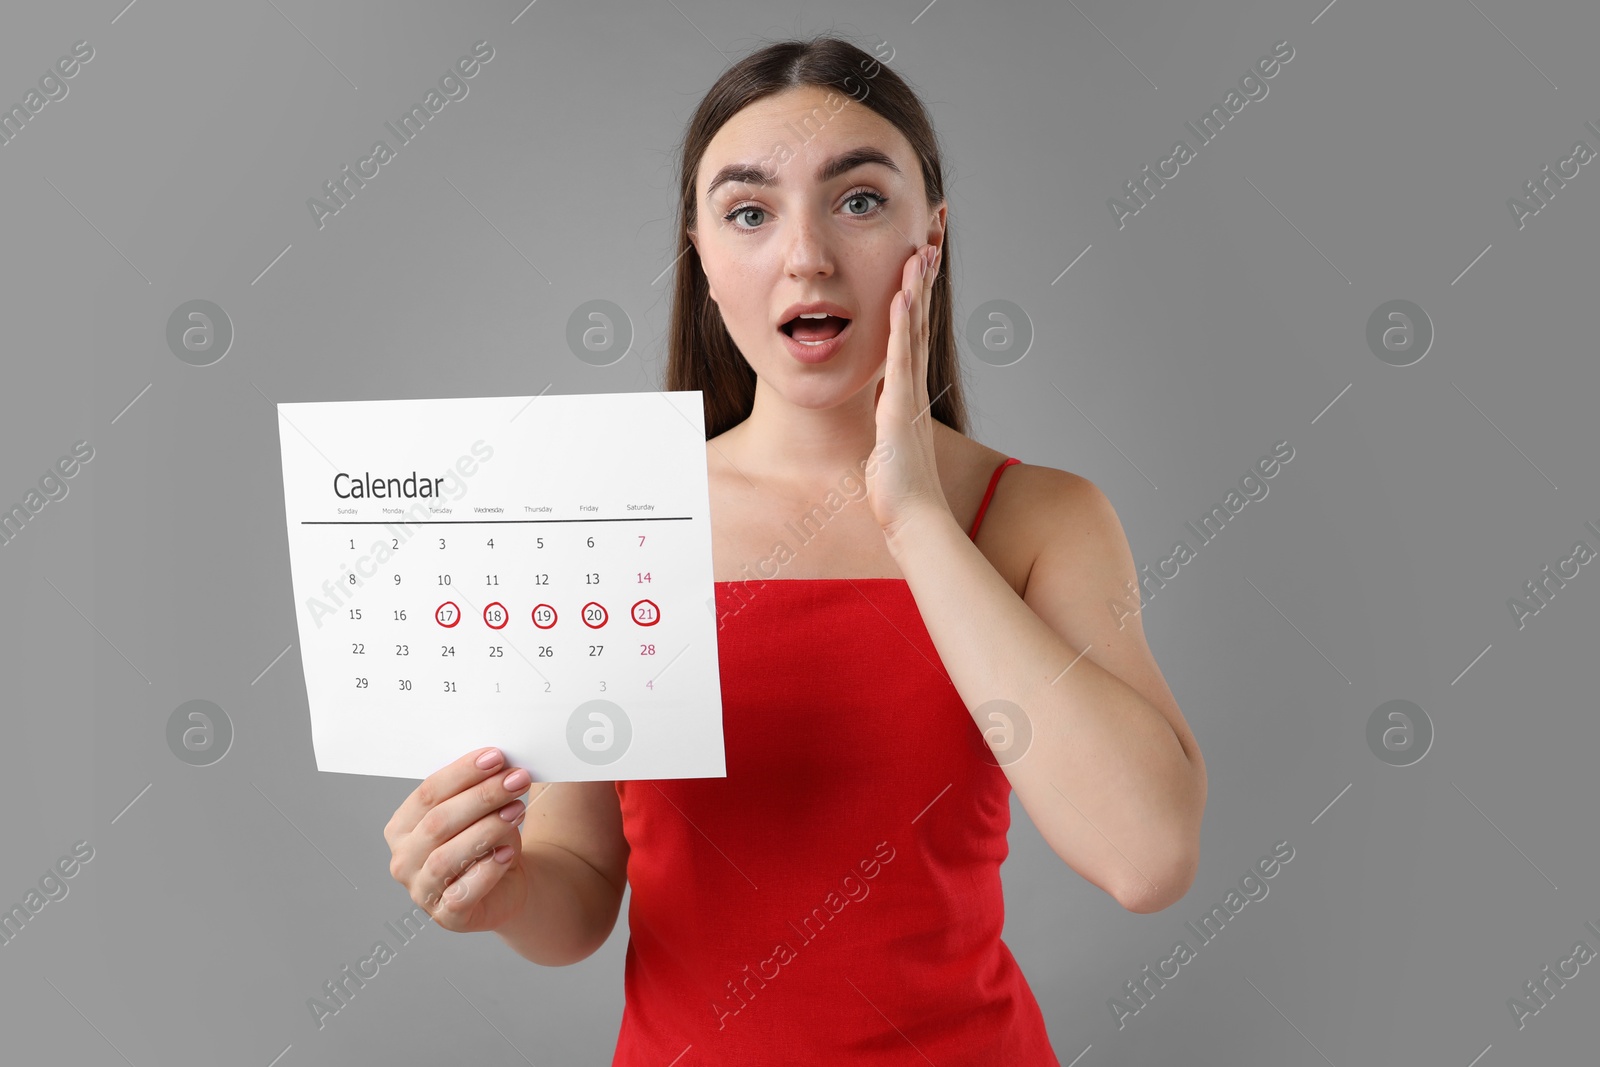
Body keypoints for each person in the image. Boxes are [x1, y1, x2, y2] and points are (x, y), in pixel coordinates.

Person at [384, 35, 1206, 1064]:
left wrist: (913, 515)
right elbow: (580, 891)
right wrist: (495, 888)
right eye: (749, 211)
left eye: (858, 201)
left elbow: (1147, 857)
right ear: (701, 254)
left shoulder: (1036, 517)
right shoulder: (616, 514)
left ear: (932, 236)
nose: (806, 255)